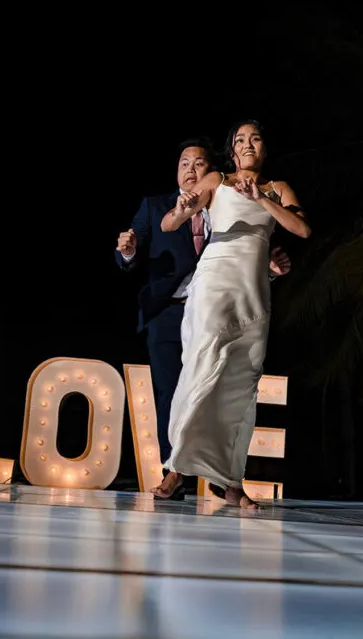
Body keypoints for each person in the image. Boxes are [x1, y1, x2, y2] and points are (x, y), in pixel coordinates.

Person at [150, 120, 311, 508]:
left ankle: (232, 482)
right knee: (201, 367)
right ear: (231, 151)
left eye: (255, 137)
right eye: (240, 139)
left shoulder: (279, 189)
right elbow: (168, 222)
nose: (248, 144)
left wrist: (260, 199)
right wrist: (183, 208)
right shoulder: (218, 181)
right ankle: (176, 468)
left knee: (240, 385)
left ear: (265, 148)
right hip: (215, 282)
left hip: (253, 290)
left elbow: (302, 230)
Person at [115, 137, 291, 476]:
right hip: (168, 312)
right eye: (184, 163)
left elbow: (246, 263)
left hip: (217, 310)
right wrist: (127, 250)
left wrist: (269, 273)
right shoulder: (156, 206)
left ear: (211, 171)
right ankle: (173, 471)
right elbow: (130, 248)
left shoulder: (229, 201)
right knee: (170, 391)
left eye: (198, 163)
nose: (190, 170)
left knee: (217, 390)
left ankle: (215, 473)